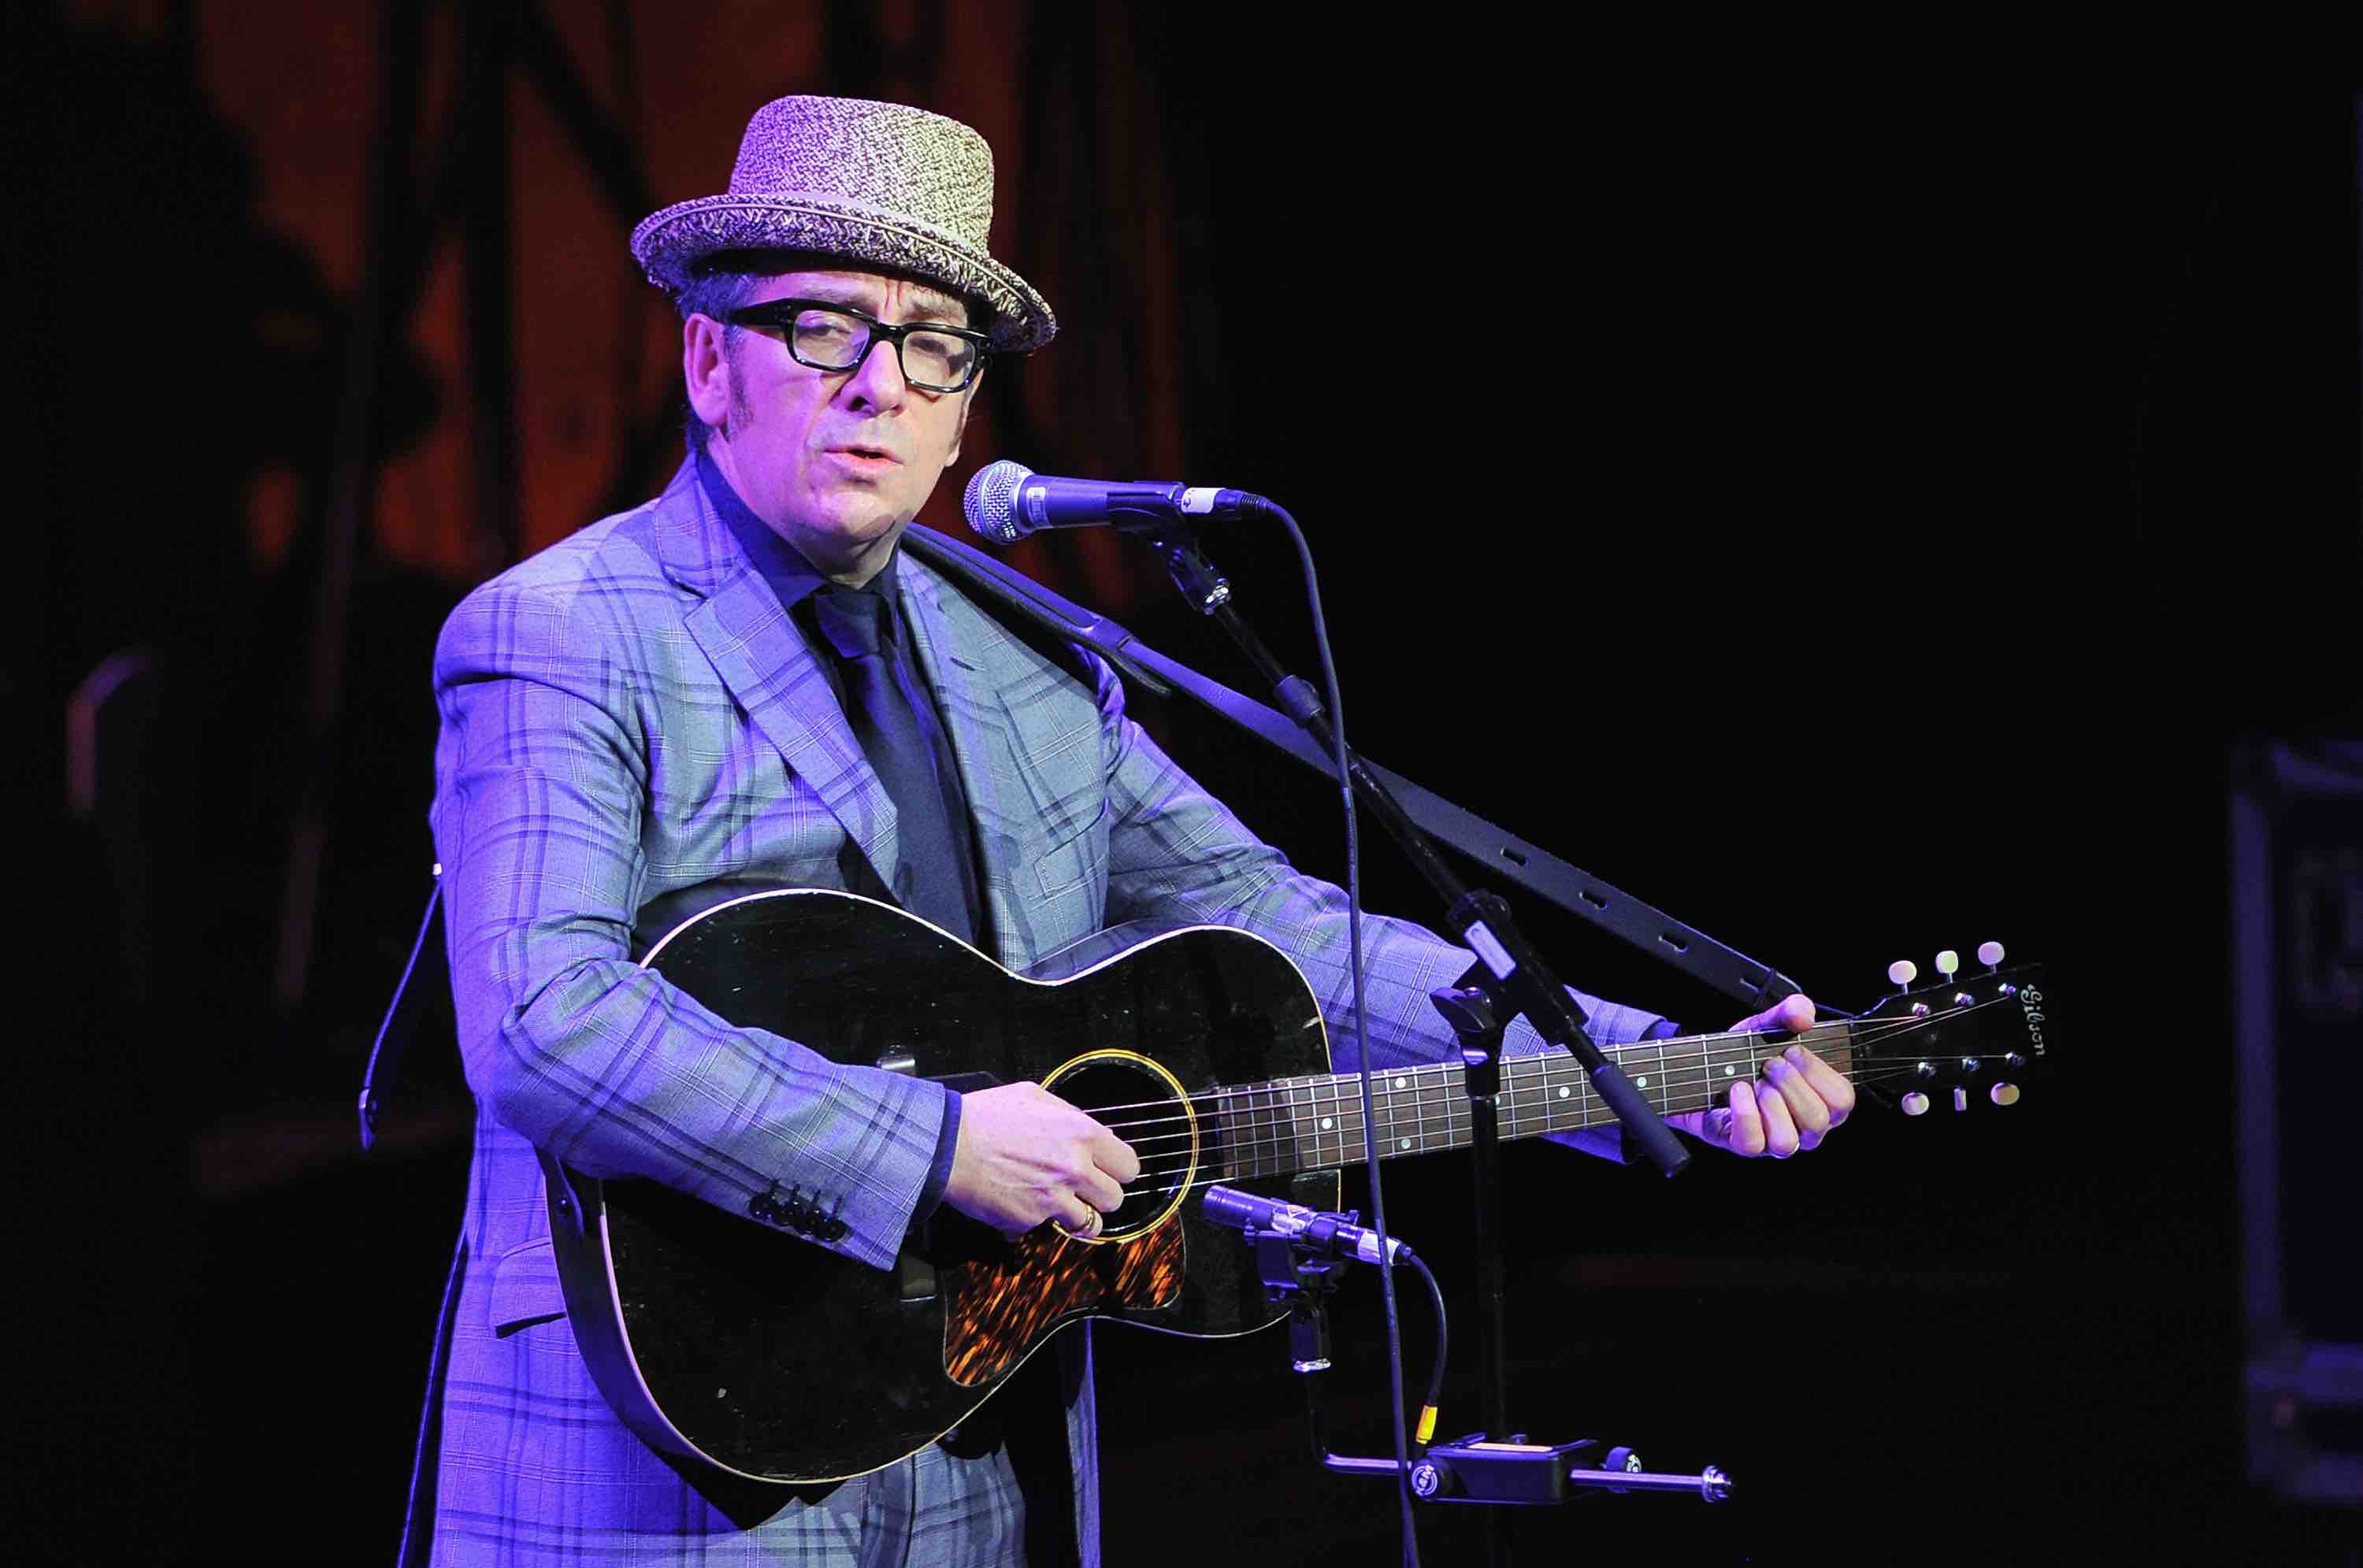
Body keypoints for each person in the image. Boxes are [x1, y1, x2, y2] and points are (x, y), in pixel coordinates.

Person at [403, 95, 1853, 1567]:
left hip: (978, 1421)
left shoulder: (1028, 661)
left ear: (966, 405)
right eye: (825, 329)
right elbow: (543, 1022)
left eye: (931, 348)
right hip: (668, 1430)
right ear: (712, 361)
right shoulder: (564, 631)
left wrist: (1629, 1069)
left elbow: (1282, 924)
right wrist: (936, 1144)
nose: (879, 389)